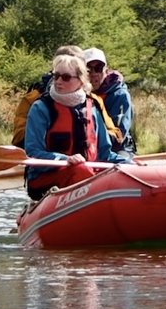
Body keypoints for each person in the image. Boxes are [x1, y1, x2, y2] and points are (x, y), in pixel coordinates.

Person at [21, 50, 127, 200]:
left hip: (86, 175)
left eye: (65, 77)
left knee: (117, 172)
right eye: (56, 76)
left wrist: (129, 164)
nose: (58, 81)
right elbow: (33, 152)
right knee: (80, 170)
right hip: (46, 178)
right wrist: (64, 159)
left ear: (81, 81)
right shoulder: (41, 108)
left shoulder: (92, 108)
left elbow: (105, 154)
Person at [85, 47, 136, 154]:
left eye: (98, 68)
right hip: (88, 147)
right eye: (88, 69)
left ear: (106, 70)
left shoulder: (120, 95)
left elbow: (119, 135)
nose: (94, 73)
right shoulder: (79, 95)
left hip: (118, 148)